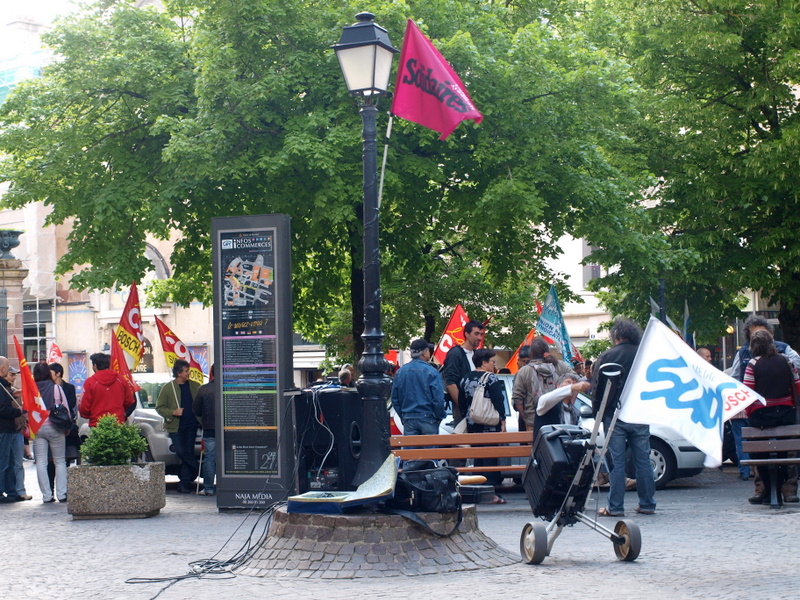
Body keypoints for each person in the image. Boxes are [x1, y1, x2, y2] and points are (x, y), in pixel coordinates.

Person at [730, 315, 800, 498]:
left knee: (787, 450)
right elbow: (737, 379)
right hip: (779, 411)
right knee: (761, 451)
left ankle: (788, 489)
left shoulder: (784, 352)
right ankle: (762, 489)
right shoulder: (743, 354)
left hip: (761, 413)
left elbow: (748, 389)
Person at [593, 318, 656, 517]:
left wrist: (597, 413)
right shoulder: (644, 355)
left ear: (617, 336)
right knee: (643, 460)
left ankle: (615, 507)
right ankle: (647, 503)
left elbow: (597, 389)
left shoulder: (607, 356)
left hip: (614, 414)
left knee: (617, 463)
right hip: (639, 412)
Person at [459, 348, 507, 504]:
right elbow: (498, 400)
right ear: (484, 362)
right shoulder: (491, 378)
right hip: (490, 425)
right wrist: (502, 419)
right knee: (490, 459)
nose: (494, 365)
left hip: (473, 425)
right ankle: (490, 494)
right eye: (492, 361)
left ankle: (478, 492)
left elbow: (461, 402)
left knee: (478, 458)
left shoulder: (465, 378)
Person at [156, 359, 201, 494]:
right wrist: (172, 412)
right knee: (182, 452)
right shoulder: (168, 388)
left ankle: (184, 483)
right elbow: (160, 407)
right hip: (176, 427)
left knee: (188, 451)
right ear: (179, 373)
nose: (189, 373)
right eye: (186, 371)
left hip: (192, 425)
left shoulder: (195, 386)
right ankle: (197, 468)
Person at [390, 339, 445, 436]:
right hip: (428, 418)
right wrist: (439, 416)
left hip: (408, 419)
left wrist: (403, 416)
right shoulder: (432, 372)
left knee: (411, 450)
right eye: (428, 350)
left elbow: (395, 399)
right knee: (430, 450)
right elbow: (438, 399)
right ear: (424, 352)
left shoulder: (400, 372)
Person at [33, 361, 68, 503]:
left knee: (41, 462)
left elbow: (25, 410)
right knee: (60, 461)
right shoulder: (56, 388)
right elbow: (65, 406)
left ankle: (46, 495)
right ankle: (62, 494)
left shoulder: (31, 390)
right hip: (55, 426)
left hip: (38, 427)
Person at [442, 320, 485, 424]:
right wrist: (464, 407)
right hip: (463, 410)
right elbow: (450, 383)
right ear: (466, 334)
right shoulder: (456, 354)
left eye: (481, 334)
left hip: (477, 408)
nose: (480, 338)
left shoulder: (477, 354)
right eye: (476, 334)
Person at [512, 338, 558, 432]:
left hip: (532, 420)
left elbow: (517, 398)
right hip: (554, 420)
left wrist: (524, 418)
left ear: (531, 353)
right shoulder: (556, 368)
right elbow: (574, 382)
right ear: (546, 351)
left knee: (532, 446)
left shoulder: (524, 371)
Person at [79, 352, 135, 427]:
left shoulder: (90, 382)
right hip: (118, 422)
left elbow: (84, 407)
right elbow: (129, 400)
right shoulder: (121, 379)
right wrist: (121, 412)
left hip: (97, 423)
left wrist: (90, 415)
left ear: (95, 366)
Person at [0, 356, 26, 503]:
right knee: (3, 462)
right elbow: (2, 409)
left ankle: (11, 491)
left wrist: (12, 395)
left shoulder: (4, 385)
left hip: (8, 429)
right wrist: (19, 411)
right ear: (2, 369)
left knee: (9, 462)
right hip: (3, 428)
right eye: (7, 367)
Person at [192, 364, 216, 496]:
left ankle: (208, 488)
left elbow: (196, 410)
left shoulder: (203, 389)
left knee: (210, 459)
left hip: (209, 429)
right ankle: (229, 487)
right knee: (230, 458)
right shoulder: (230, 388)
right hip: (229, 429)